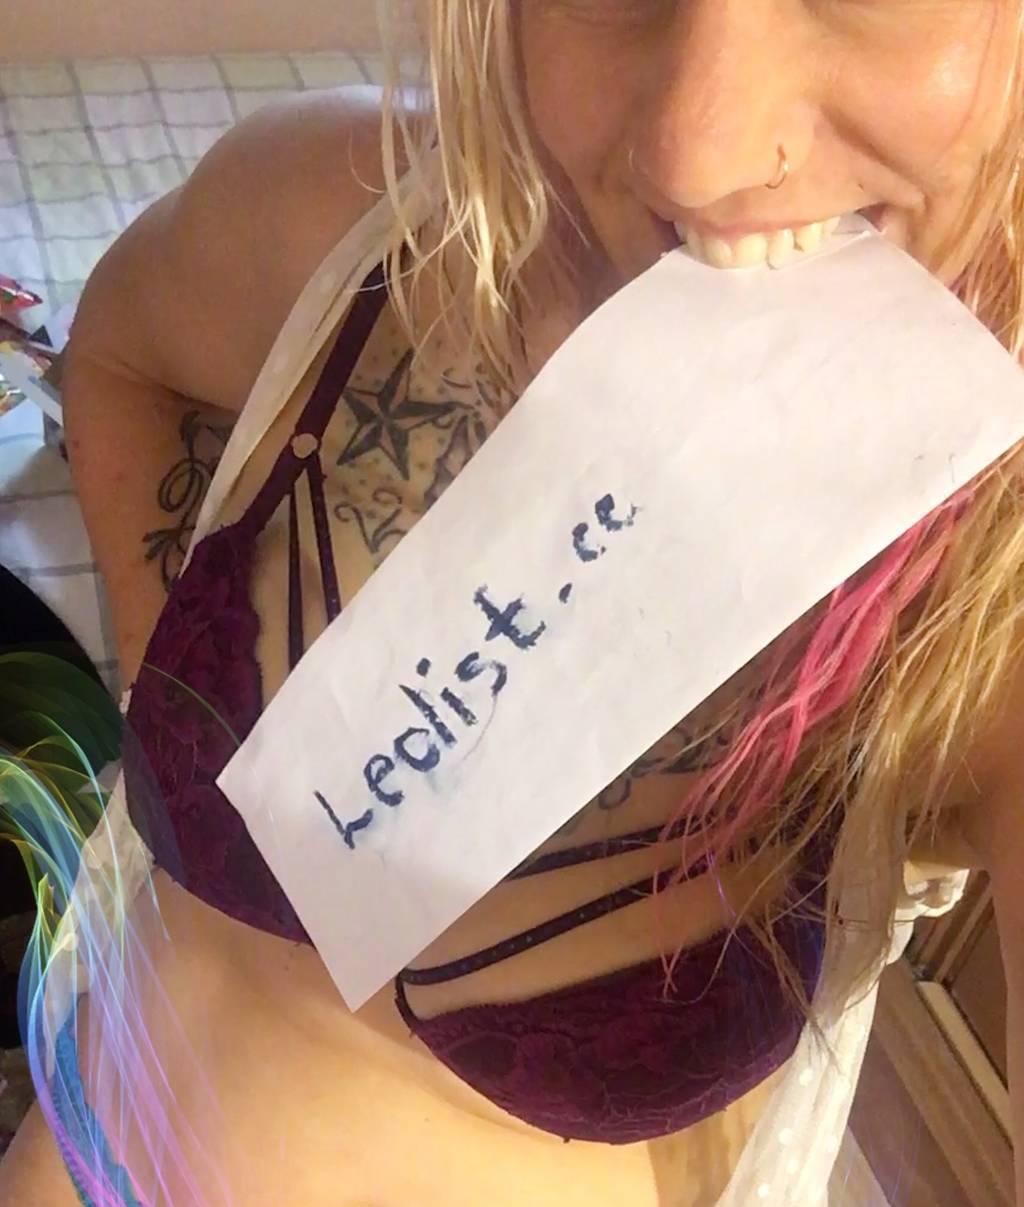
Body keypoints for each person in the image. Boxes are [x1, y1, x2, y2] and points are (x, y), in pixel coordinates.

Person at [1, 2, 1022, 1204]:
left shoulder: (984, 599)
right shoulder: (349, 237)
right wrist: (156, 684)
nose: (694, 148)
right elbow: (122, 355)